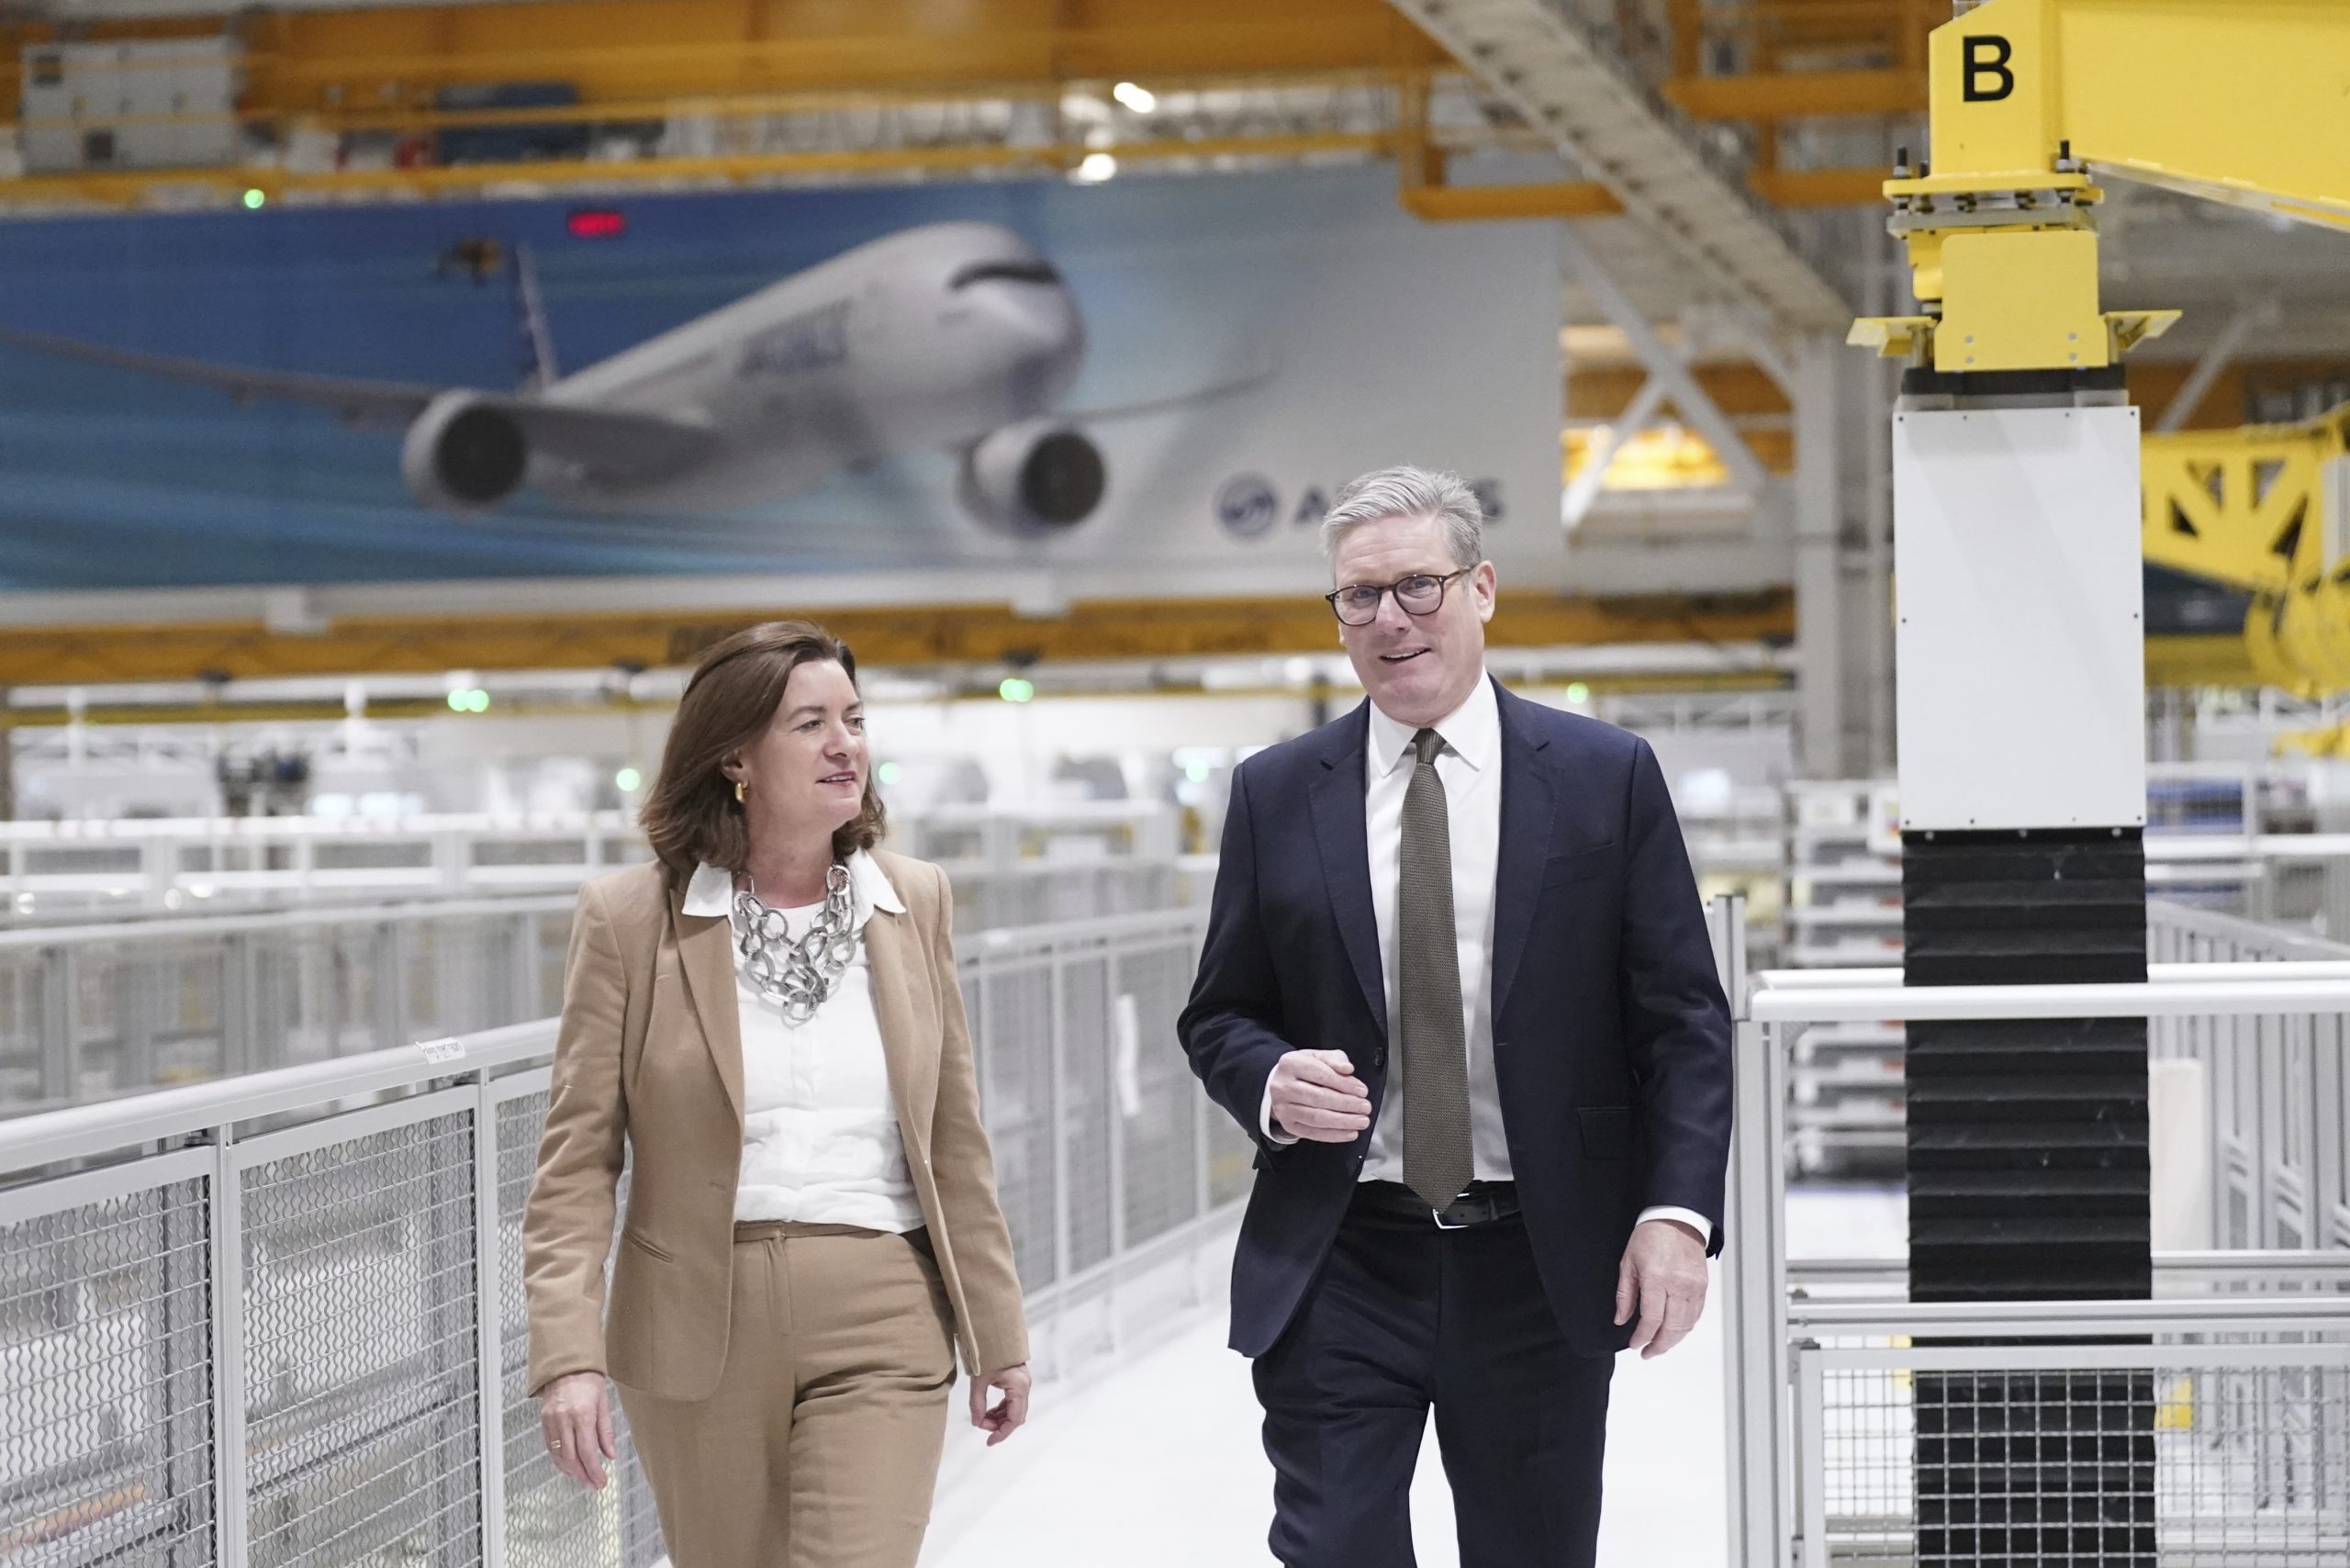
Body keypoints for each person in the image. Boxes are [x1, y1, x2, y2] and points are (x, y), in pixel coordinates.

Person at [1177, 466, 1732, 1567]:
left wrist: (1675, 1213)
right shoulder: (1276, 791)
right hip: (1340, 1251)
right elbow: (1222, 1012)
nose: (1390, 618)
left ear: (1480, 588)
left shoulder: (1603, 777)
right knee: (1334, 1546)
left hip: (1539, 1258)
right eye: (1359, 595)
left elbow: (1681, 1020)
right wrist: (1269, 1080)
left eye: (1417, 586)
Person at [521, 619, 1031, 1568]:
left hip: (884, 1302)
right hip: (694, 1320)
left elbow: (953, 1136)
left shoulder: (913, 899)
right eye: (810, 724)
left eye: (854, 719)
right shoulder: (628, 919)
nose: (845, 745)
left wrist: (997, 1331)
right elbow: (578, 1160)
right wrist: (566, 1354)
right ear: (735, 758)